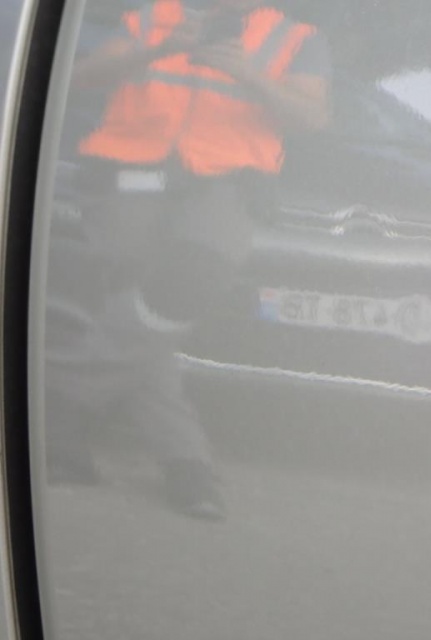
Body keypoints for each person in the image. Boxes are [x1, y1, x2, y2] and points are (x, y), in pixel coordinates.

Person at [44, 0, 330, 520]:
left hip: (225, 185)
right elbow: (80, 78)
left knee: (186, 284)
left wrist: (248, 74)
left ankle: (58, 403)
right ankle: (186, 464)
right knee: (133, 313)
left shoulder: (296, 37)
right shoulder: (155, 17)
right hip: (131, 176)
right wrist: (159, 47)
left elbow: (311, 118)